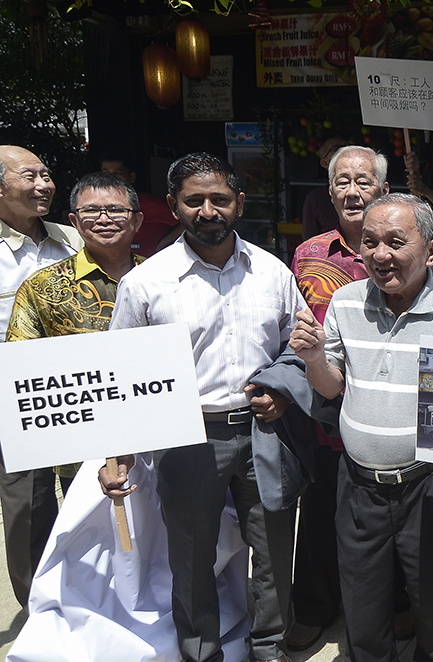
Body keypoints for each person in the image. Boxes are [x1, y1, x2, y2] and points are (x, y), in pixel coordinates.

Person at [99, 152, 305, 662]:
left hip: (263, 432)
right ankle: (200, 652)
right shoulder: (145, 282)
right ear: (173, 206)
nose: (208, 210)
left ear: (239, 203)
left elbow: (297, 345)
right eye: (194, 200)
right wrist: (116, 452)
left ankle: (270, 649)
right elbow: (119, 368)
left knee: (275, 550)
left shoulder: (273, 272)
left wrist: (280, 389)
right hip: (185, 436)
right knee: (190, 556)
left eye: (219, 199)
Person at [289, 193, 433, 662]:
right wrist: (314, 358)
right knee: (363, 607)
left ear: (432, 251)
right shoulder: (346, 301)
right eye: (371, 242)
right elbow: (332, 386)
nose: (380, 255)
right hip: (358, 486)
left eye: (396, 242)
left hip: (428, 484)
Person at [284, 145, 389, 651]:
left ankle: (395, 606)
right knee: (324, 502)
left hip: (388, 394)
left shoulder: (408, 245)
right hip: (329, 394)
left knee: (391, 504)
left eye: (363, 181)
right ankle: (315, 605)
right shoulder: (309, 255)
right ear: (329, 192)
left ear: (383, 190)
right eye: (342, 182)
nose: (352, 191)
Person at [6, 171, 144, 491]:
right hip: (81, 448)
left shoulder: (164, 278)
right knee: (91, 539)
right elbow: (22, 368)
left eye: (116, 210)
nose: (104, 218)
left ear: (136, 220)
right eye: (91, 211)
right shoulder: (41, 288)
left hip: (158, 444)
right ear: (75, 220)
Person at [0, 145, 84, 607]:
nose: (43, 184)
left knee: (91, 490)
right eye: (29, 175)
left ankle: (93, 596)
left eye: (46, 174)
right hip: (14, 394)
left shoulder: (71, 238)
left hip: (84, 388)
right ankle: (42, 610)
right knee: (28, 504)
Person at [100, 153, 181, 257]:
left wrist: (165, 243)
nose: (110, 178)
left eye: (118, 173)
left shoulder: (150, 204)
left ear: (132, 177)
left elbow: (186, 222)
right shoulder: (94, 206)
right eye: (106, 173)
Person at [301, 137, 349, 240]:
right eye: (336, 149)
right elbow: (309, 242)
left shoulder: (366, 192)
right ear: (325, 164)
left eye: (347, 147)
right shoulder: (315, 199)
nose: (345, 152)